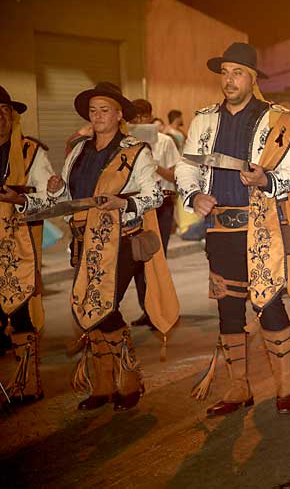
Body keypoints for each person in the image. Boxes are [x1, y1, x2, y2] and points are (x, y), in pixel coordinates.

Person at [175, 42, 290, 418]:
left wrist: (266, 179)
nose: (229, 80)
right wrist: (193, 196)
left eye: (237, 73)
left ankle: (286, 384)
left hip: (262, 226)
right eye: (225, 73)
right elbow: (186, 166)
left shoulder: (277, 120)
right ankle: (239, 387)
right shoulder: (204, 120)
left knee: (268, 304)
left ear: (253, 78)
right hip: (220, 227)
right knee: (228, 308)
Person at [19, 81, 179, 411]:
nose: (98, 116)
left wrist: (123, 203)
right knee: (90, 311)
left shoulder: (136, 151)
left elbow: (153, 195)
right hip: (83, 242)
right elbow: (67, 198)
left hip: (121, 241)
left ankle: (129, 378)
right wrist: (56, 189)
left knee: (105, 307)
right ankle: (104, 384)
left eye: (105, 110)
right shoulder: (79, 151)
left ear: (119, 115)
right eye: (93, 111)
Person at [0, 86, 58, 406]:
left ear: (13, 116)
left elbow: (50, 201)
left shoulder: (31, 152)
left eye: (4, 111)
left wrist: (20, 199)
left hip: (20, 248)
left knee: (22, 312)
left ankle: (27, 383)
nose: (0, 118)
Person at [128, 99, 181, 329]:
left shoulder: (164, 142)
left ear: (151, 117)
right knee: (137, 258)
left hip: (162, 205)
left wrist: (152, 163)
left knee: (157, 257)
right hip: (137, 206)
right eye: (135, 118)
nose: (140, 121)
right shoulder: (126, 143)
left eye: (144, 116)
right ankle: (147, 309)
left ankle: (161, 308)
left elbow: (174, 176)